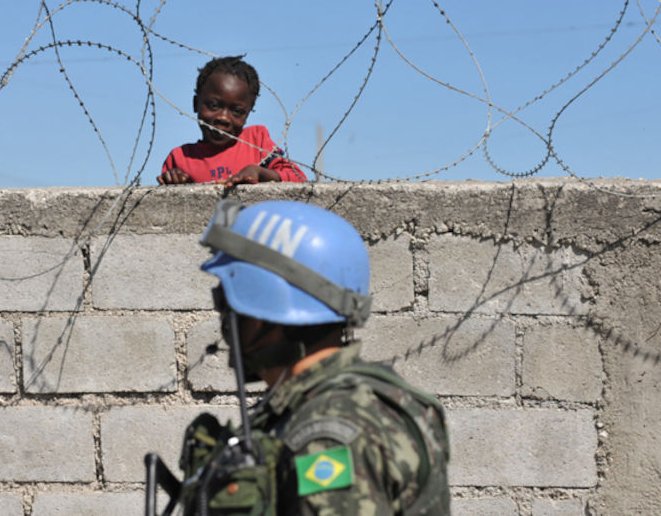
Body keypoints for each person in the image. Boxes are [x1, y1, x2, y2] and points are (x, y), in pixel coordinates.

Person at [154, 199, 450, 515]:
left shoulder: (327, 433)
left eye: (228, 300)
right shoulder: (338, 401)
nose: (226, 318)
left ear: (265, 305)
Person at [157, 56, 306, 188]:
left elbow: (298, 178)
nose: (223, 118)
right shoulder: (181, 158)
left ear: (248, 113)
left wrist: (260, 173)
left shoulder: (256, 142)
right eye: (213, 106)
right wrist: (174, 180)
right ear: (196, 103)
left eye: (237, 111)